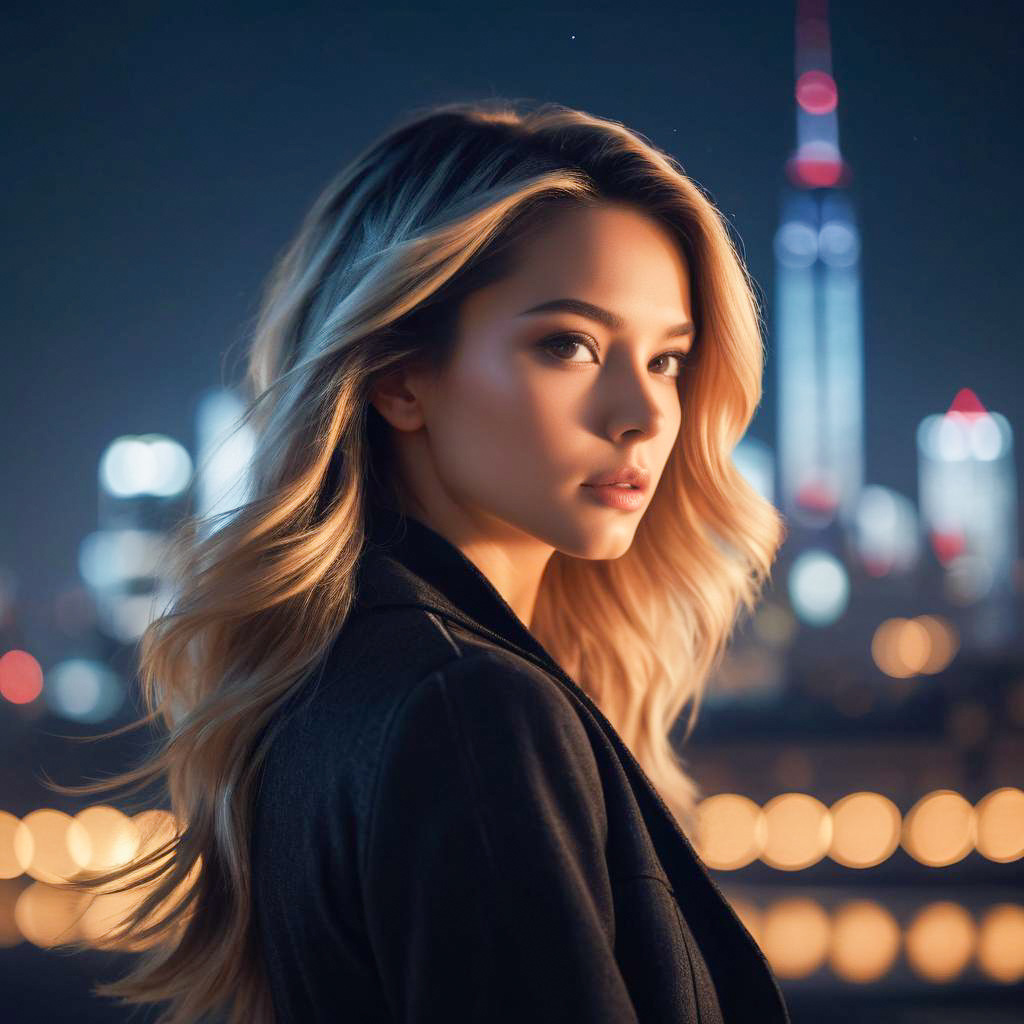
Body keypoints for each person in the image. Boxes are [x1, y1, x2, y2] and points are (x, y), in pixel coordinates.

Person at [54, 98, 789, 1023]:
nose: (640, 414)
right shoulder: (471, 706)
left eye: (667, 360)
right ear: (400, 377)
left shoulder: (340, 682)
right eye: (569, 344)